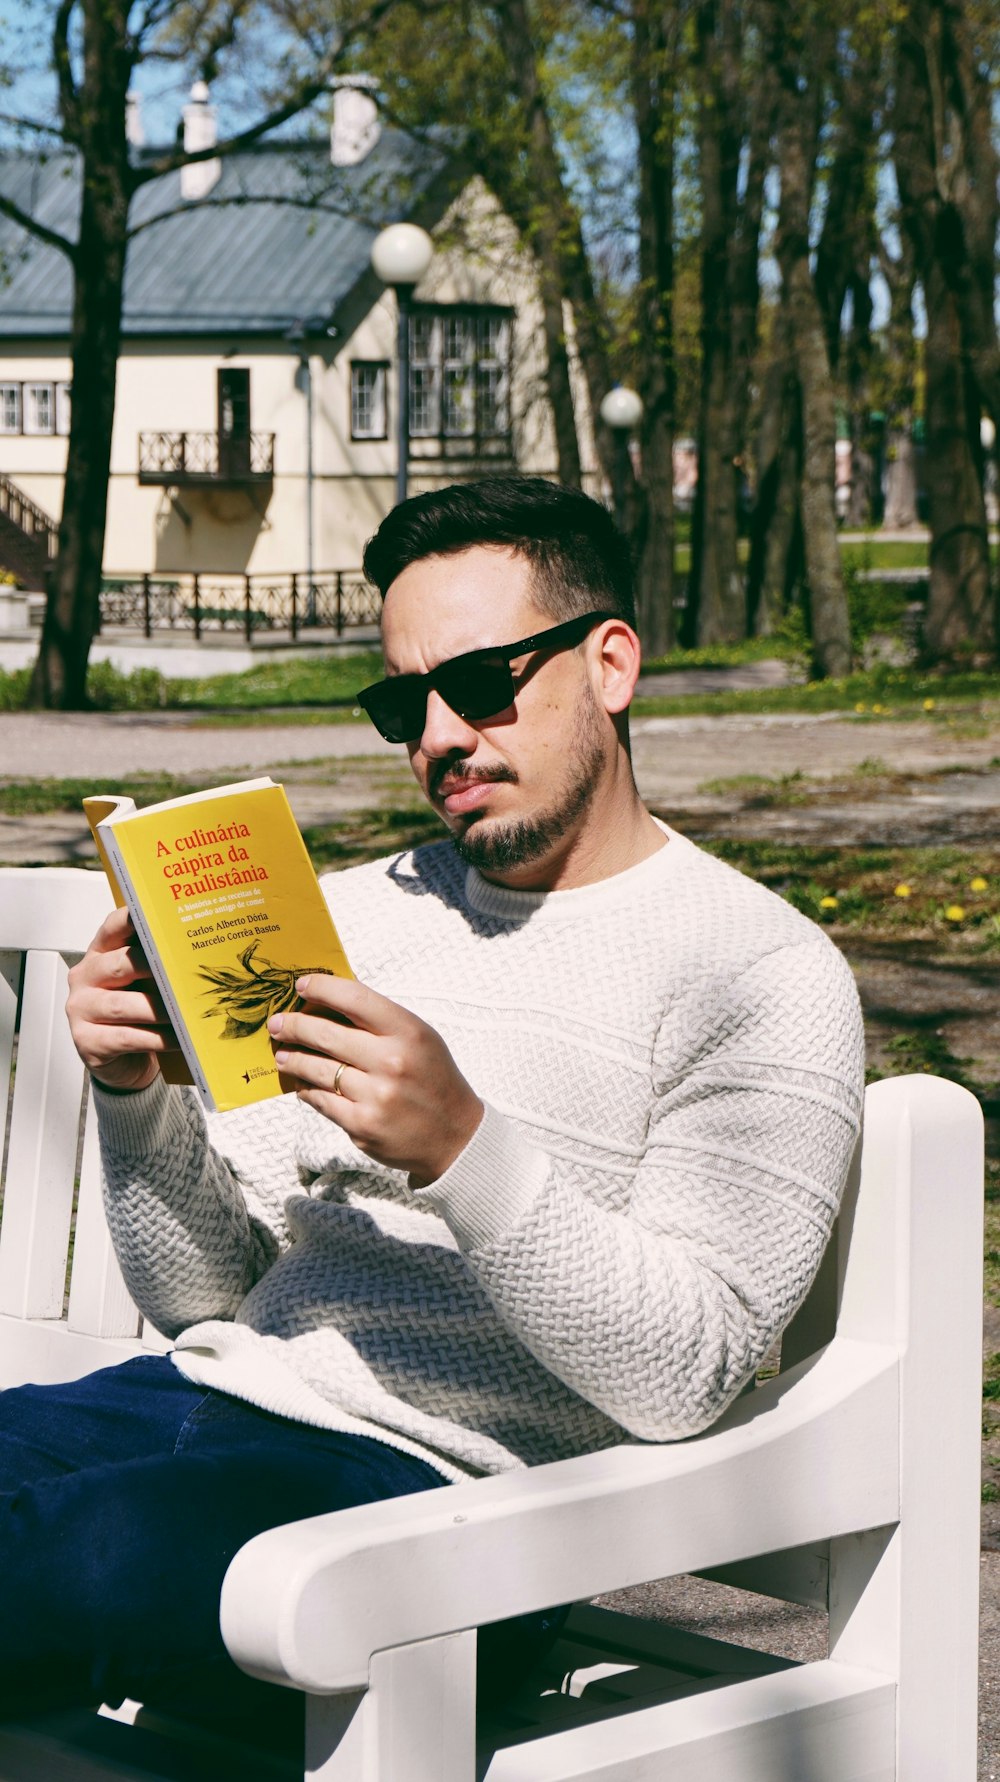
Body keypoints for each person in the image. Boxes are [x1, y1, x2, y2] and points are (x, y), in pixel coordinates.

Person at [6, 476, 862, 1727]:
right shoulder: (348, 919)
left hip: (451, 1504)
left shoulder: (755, 970)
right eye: (404, 702)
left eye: (479, 684)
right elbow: (200, 1298)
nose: (440, 737)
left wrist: (461, 1149)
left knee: (81, 1558)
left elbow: (688, 1371)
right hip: (209, 1399)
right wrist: (135, 1097)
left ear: (610, 663)